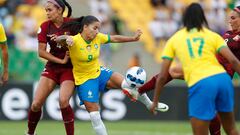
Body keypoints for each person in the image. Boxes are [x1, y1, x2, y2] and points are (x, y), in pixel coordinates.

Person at [126, 5, 240, 135]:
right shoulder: (215, 35)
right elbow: (234, 61)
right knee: (230, 127)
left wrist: (154, 102)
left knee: (203, 124)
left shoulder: (178, 37)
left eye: (233, 18)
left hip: (205, 77)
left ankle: (139, 90)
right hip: (221, 78)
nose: (229, 21)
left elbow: (163, 75)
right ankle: (139, 91)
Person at [53, 15, 169, 135]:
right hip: (85, 80)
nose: (97, 31)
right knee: (95, 115)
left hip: (99, 72)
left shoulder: (98, 37)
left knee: (128, 84)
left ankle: (150, 105)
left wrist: (133, 38)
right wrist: (66, 38)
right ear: (85, 27)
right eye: (95, 28)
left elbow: (114, 38)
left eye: (98, 28)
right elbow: (58, 40)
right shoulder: (75, 40)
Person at [26, 0, 76, 135]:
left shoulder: (74, 24)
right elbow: (41, 52)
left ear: (59, 10)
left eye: (50, 10)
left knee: (63, 101)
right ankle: (30, 133)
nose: (47, 13)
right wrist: (60, 61)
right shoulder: (44, 26)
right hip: (53, 67)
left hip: (70, 69)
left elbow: (86, 37)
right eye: (46, 10)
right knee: (36, 104)